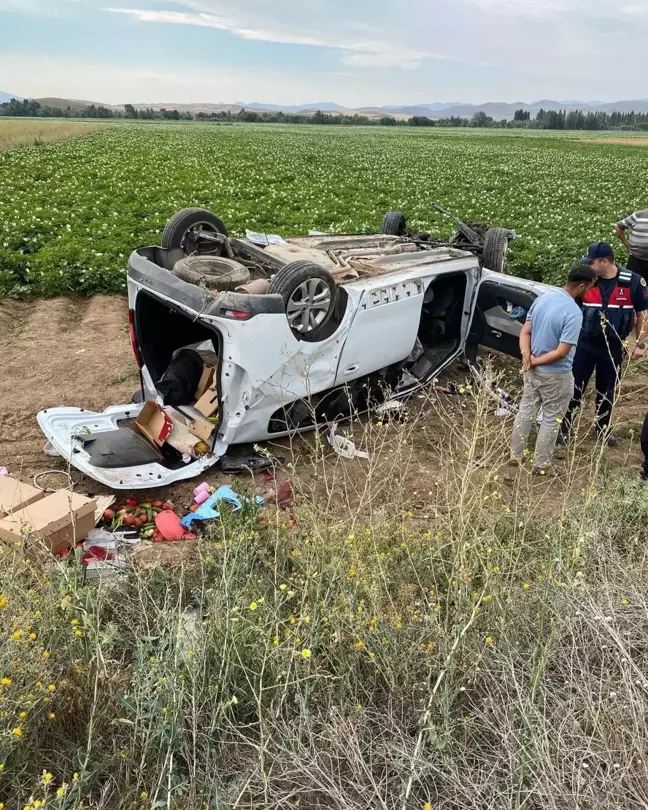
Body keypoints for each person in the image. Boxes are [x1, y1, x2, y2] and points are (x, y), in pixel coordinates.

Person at [510, 265, 596, 472]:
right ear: (581, 286)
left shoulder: (542, 299)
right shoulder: (574, 312)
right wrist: (535, 361)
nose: (589, 292)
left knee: (526, 410)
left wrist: (527, 357)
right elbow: (561, 351)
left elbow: (525, 332)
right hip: (556, 374)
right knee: (551, 418)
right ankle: (541, 464)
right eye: (590, 288)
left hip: (532, 371)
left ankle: (515, 454)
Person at [561, 241, 648, 446]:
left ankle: (602, 429)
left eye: (591, 263)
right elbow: (568, 308)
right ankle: (564, 427)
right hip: (585, 344)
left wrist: (641, 344)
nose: (588, 267)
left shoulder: (633, 281)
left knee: (607, 390)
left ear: (605, 261)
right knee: (574, 387)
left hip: (614, 346)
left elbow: (642, 314)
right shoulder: (585, 280)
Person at [615, 209, 648, 283]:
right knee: (632, 285)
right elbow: (618, 227)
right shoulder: (638, 215)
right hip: (636, 260)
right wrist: (626, 244)